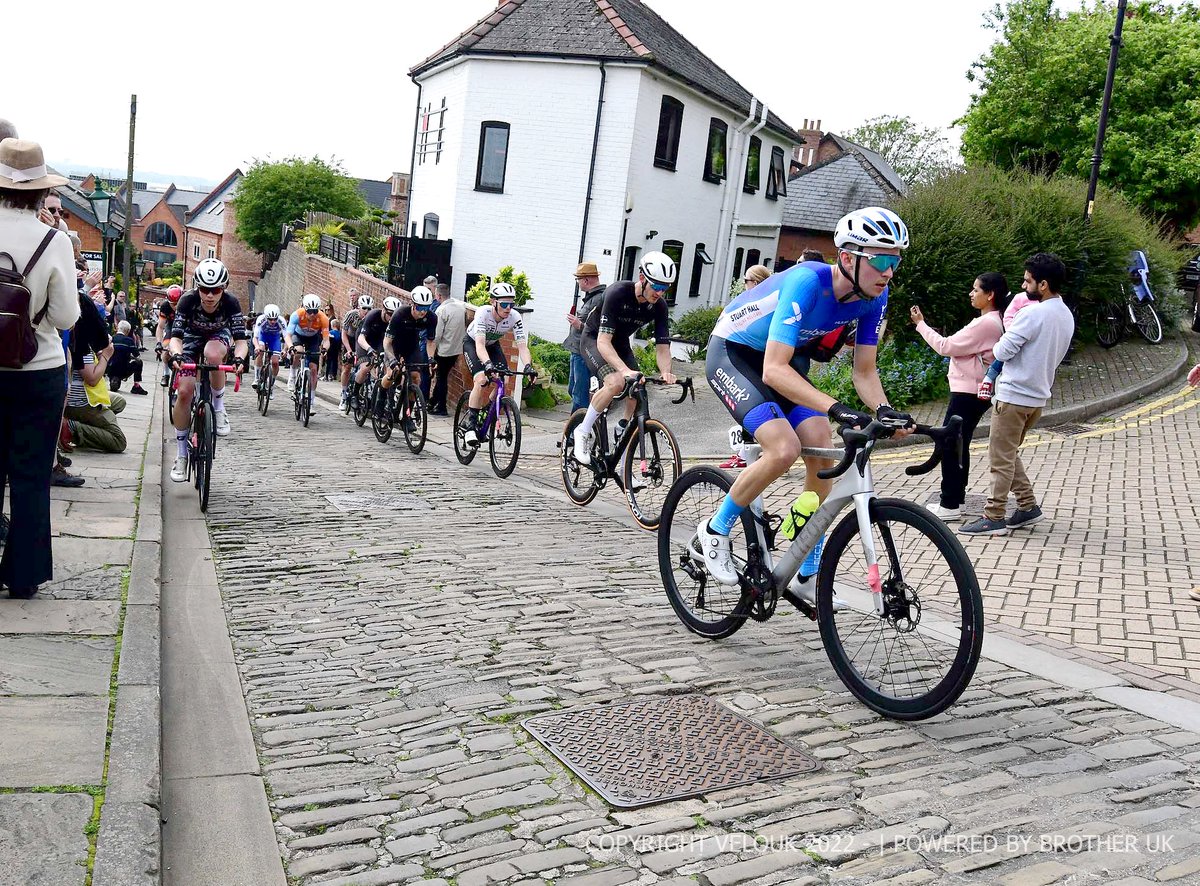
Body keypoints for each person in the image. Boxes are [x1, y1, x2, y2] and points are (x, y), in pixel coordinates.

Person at [696, 207, 916, 602]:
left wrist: (883, 410)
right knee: (784, 449)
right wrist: (836, 407)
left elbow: (864, 372)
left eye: (895, 261)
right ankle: (714, 530)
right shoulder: (807, 282)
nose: (888, 271)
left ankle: (807, 568)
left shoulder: (874, 299)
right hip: (736, 353)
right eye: (881, 259)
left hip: (785, 356)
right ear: (847, 258)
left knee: (825, 460)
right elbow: (773, 372)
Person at [0, 137, 81, 597]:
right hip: (37, 367)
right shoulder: (53, 240)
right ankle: (24, 575)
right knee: (30, 475)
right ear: (39, 191)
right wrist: (31, 320)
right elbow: (67, 317)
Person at [960, 253, 1074, 536]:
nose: (1023, 287)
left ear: (1043, 284)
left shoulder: (1032, 314)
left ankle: (993, 516)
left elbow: (1001, 350)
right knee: (1007, 454)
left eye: (1027, 281)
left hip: (1013, 398)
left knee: (999, 459)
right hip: (1037, 399)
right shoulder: (1066, 315)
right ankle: (1027, 507)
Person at [910, 273, 1006, 520]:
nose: (971, 294)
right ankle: (956, 500)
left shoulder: (985, 324)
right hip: (975, 391)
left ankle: (950, 504)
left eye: (976, 290)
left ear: (990, 295)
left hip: (968, 391)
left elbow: (945, 346)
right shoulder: (994, 321)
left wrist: (920, 324)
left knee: (951, 444)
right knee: (959, 444)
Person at [571, 252, 677, 463]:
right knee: (616, 382)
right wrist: (624, 370)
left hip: (620, 343)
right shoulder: (617, 292)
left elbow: (663, 347)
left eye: (665, 288)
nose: (660, 293)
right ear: (642, 278)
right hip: (595, 339)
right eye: (656, 286)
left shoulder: (659, 306)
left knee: (638, 387)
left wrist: (666, 371)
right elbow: (603, 341)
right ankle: (582, 431)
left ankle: (622, 433)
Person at [164, 258, 249, 482]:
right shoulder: (187, 301)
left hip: (217, 336)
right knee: (184, 392)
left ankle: (219, 408)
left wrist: (239, 359)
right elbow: (176, 338)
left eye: (216, 289)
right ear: (197, 287)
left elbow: (241, 341)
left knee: (213, 355)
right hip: (190, 339)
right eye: (204, 289)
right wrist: (176, 354)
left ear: (224, 288)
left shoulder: (231, 302)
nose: (210, 295)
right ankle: (181, 455)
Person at [460, 282, 535, 447]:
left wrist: (528, 366)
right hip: (473, 344)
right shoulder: (483, 313)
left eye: (511, 304)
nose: (508, 308)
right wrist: (487, 364)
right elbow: (479, 345)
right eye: (504, 304)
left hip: (492, 345)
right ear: (493, 302)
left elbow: (522, 346)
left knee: (504, 380)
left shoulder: (515, 317)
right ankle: (470, 426)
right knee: (481, 380)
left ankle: (486, 412)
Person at [720, 264, 773, 469]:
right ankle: (747, 452)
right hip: (757, 362)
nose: (744, 284)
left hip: (755, 364)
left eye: (746, 280)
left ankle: (749, 454)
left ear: (756, 283)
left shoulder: (757, 305)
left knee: (749, 410)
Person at [382, 286, 438, 428]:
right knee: (391, 374)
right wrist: (393, 359)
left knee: (415, 378)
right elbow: (387, 342)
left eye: (426, 307)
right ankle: (380, 400)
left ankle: (407, 417)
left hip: (411, 347)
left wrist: (431, 358)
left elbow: (430, 341)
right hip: (394, 345)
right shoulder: (400, 314)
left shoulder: (431, 318)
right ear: (413, 304)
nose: (423, 311)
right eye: (419, 307)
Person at [64, 340, 127, 453]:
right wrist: (105, 357)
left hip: (88, 394)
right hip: (80, 402)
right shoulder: (82, 344)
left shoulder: (82, 339)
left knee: (119, 401)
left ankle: (88, 428)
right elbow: (92, 379)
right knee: (119, 441)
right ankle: (70, 428)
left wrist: (99, 357)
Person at [563, 262, 607, 414]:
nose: (578, 283)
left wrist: (578, 324)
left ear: (586, 280)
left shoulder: (598, 299)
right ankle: (585, 421)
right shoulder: (594, 298)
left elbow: (598, 329)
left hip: (583, 353)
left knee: (578, 394)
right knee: (574, 390)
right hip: (578, 350)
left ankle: (574, 433)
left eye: (579, 279)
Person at [977, 287, 1035, 401]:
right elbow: (1009, 315)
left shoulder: (1042, 304)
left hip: (1029, 337)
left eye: (1028, 281)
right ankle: (988, 379)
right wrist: (1012, 330)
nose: (1024, 285)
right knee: (1002, 358)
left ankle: (989, 380)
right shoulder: (1021, 298)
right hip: (1016, 333)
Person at [429, 283, 470, 416]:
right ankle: (433, 402)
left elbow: (437, 335)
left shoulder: (441, 310)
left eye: (436, 295)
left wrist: (431, 350)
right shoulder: (461, 308)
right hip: (457, 349)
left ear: (439, 295)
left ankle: (441, 407)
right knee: (443, 375)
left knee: (441, 378)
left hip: (443, 350)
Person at [284, 294, 331, 410]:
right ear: (305, 309)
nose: (312, 314)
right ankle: (293, 374)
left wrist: (325, 349)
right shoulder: (297, 315)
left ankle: (311, 401)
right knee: (298, 351)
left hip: (313, 339)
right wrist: (290, 347)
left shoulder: (323, 318)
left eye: (315, 311)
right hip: (298, 335)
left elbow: (326, 340)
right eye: (309, 311)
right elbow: (288, 335)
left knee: (314, 369)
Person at [351, 296, 398, 406]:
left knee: (388, 370)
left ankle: (383, 399)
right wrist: (369, 349)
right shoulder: (373, 315)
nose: (391, 318)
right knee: (366, 367)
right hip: (365, 340)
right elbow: (361, 338)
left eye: (394, 315)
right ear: (384, 310)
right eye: (390, 314)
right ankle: (355, 394)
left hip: (380, 342)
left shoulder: (394, 321)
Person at [339, 291, 371, 412]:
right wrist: (349, 350)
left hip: (363, 341)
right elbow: (344, 334)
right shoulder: (351, 315)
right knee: (347, 367)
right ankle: (343, 394)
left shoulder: (371, 317)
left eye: (369, 309)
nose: (367, 311)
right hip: (351, 340)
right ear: (359, 307)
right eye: (364, 308)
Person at [252, 304, 288, 391]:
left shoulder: (281, 321)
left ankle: (271, 385)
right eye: (270, 319)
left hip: (275, 338)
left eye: (275, 319)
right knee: (260, 350)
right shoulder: (261, 319)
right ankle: (257, 378)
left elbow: (287, 337)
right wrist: (256, 347)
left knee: (275, 362)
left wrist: (285, 349)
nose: (273, 321)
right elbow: (255, 337)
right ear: (266, 317)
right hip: (263, 336)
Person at [107, 319, 147, 395]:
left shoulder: (111, 339)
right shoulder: (129, 341)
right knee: (139, 362)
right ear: (128, 331)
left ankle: (106, 379)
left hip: (110, 369)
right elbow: (137, 355)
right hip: (123, 370)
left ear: (117, 328)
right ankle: (136, 386)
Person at [155, 284, 183, 386]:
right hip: (171, 328)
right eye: (173, 304)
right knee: (166, 349)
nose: (175, 307)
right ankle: (166, 374)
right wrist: (159, 343)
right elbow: (160, 327)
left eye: (177, 303)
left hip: (185, 328)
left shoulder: (186, 304)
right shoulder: (165, 306)